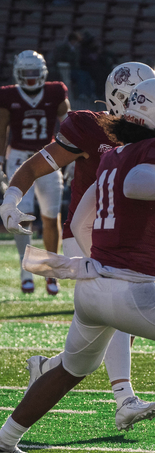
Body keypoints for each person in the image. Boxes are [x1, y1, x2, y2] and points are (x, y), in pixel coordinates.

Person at [0, 78, 155, 453]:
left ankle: (4, 439)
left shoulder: (113, 154)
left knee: (71, 367)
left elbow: (83, 217)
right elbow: (139, 184)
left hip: (93, 285)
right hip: (132, 292)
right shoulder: (154, 149)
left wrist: (102, 258)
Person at [1, 61, 155, 432]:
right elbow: (34, 166)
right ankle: (125, 399)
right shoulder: (90, 127)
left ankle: (44, 369)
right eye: (144, 98)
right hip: (86, 231)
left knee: (92, 346)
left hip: (124, 234)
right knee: (122, 307)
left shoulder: (153, 132)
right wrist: (10, 199)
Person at [0, 50, 69, 295]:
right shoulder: (8, 96)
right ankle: (25, 271)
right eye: (26, 73)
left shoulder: (55, 92)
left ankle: (50, 272)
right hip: (18, 158)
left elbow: (69, 126)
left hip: (49, 156)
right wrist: (0, 162)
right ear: (18, 74)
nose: (30, 78)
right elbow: (2, 130)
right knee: (22, 215)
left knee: (52, 216)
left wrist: (70, 158)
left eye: (34, 73)